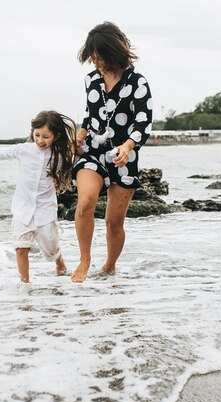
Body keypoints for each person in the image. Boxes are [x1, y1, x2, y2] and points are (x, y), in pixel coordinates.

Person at [71, 22, 153, 283]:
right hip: (93, 151)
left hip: (123, 156)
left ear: (115, 52)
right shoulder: (91, 81)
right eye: (92, 57)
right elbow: (91, 114)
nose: (96, 62)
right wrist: (81, 134)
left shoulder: (138, 83)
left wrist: (128, 147)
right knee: (84, 204)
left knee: (113, 223)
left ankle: (109, 267)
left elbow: (143, 122)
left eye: (100, 56)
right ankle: (84, 261)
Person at [0, 110, 76, 283]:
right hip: (22, 208)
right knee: (21, 248)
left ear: (56, 136)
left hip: (45, 209)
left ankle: (58, 259)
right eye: (37, 135)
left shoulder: (60, 156)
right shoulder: (23, 150)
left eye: (45, 136)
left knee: (50, 247)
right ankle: (25, 285)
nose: (40, 140)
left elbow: (79, 161)